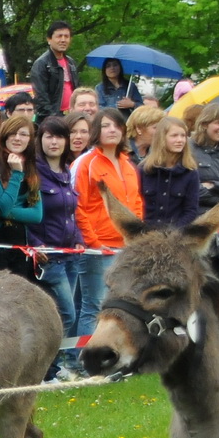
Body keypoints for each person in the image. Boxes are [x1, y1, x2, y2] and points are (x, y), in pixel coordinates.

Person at [72, 109, 143, 336]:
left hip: (125, 246)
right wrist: (92, 242)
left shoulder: (128, 164)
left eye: (116, 125)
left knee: (117, 305)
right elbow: (77, 206)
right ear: (96, 131)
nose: (112, 130)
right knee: (94, 305)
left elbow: (136, 202)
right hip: (98, 246)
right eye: (105, 126)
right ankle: (77, 361)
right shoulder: (86, 163)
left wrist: (137, 235)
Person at [30, 116, 84, 380]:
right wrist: (33, 245)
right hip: (47, 257)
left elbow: (70, 213)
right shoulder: (34, 172)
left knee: (64, 314)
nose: (54, 141)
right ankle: (45, 369)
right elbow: (30, 213)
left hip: (70, 254)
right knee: (65, 312)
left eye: (59, 136)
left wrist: (78, 239)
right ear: (40, 140)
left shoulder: (67, 171)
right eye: (49, 136)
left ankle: (49, 370)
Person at [0, 115, 44, 278]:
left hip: (20, 245)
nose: (17, 138)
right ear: (4, 135)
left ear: (30, 139)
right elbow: (1, 208)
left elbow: (37, 215)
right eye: (13, 133)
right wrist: (16, 173)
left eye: (23, 134)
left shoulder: (30, 168)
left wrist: (9, 212)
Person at [138, 115, 202, 229]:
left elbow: (191, 211)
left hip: (174, 237)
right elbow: (136, 205)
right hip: (144, 235)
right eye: (174, 135)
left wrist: (171, 233)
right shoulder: (143, 169)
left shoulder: (191, 172)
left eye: (183, 136)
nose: (180, 140)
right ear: (162, 138)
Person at [28, 20, 77, 115]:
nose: (63, 40)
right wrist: (54, 119)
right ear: (49, 39)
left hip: (72, 115)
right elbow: (41, 98)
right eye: (59, 36)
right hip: (53, 118)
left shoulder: (71, 62)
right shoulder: (42, 63)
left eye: (66, 36)